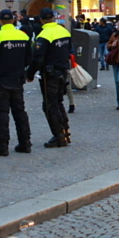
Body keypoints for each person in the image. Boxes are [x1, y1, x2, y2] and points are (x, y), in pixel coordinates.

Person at [0, 9, 33, 156]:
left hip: (1, 79)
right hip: (17, 79)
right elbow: (29, 58)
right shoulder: (23, 36)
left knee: (2, 113)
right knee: (20, 112)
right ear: (13, 20)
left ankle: (2, 146)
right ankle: (25, 143)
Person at [26, 8, 72, 148]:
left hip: (50, 74)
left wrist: (30, 74)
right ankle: (65, 132)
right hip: (63, 71)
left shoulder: (44, 35)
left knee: (50, 105)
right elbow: (69, 50)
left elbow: (38, 58)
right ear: (53, 17)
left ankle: (59, 136)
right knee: (59, 102)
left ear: (41, 20)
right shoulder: (64, 31)